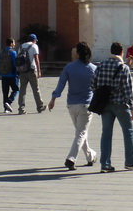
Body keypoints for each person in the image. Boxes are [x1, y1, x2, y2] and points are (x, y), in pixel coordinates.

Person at [91, 41, 133, 172]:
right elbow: (128, 90)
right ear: (122, 53)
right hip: (120, 104)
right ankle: (130, 162)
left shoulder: (101, 66)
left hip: (105, 104)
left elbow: (93, 84)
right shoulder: (123, 68)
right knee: (129, 131)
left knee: (106, 133)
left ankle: (105, 164)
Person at [49, 42, 98, 170]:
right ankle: (71, 158)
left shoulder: (69, 67)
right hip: (86, 105)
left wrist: (53, 99)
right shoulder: (93, 69)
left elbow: (61, 84)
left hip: (71, 105)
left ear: (77, 53)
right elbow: (98, 88)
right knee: (81, 133)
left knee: (80, 133)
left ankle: (90, 156)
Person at [16, 33, 45, 114]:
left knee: (22, 90)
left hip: (22, 71)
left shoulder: (21, 46)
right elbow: (36, 59)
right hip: (31, 70)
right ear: (34, 40)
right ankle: (40, 106)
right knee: (36, 89)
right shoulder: (34, 46)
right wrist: (39, 71)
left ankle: (21, 108)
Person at [0, 37, 19, 113]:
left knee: (5, 92)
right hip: (12, 75)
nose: (15, 44)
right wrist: (17, 72)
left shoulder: (2, 52)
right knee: (16, 89)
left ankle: (5, 108)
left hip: (4, 75)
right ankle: (9, 101)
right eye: (14, 43)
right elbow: (15, 63)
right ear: (11, 43)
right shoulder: (13, 52)